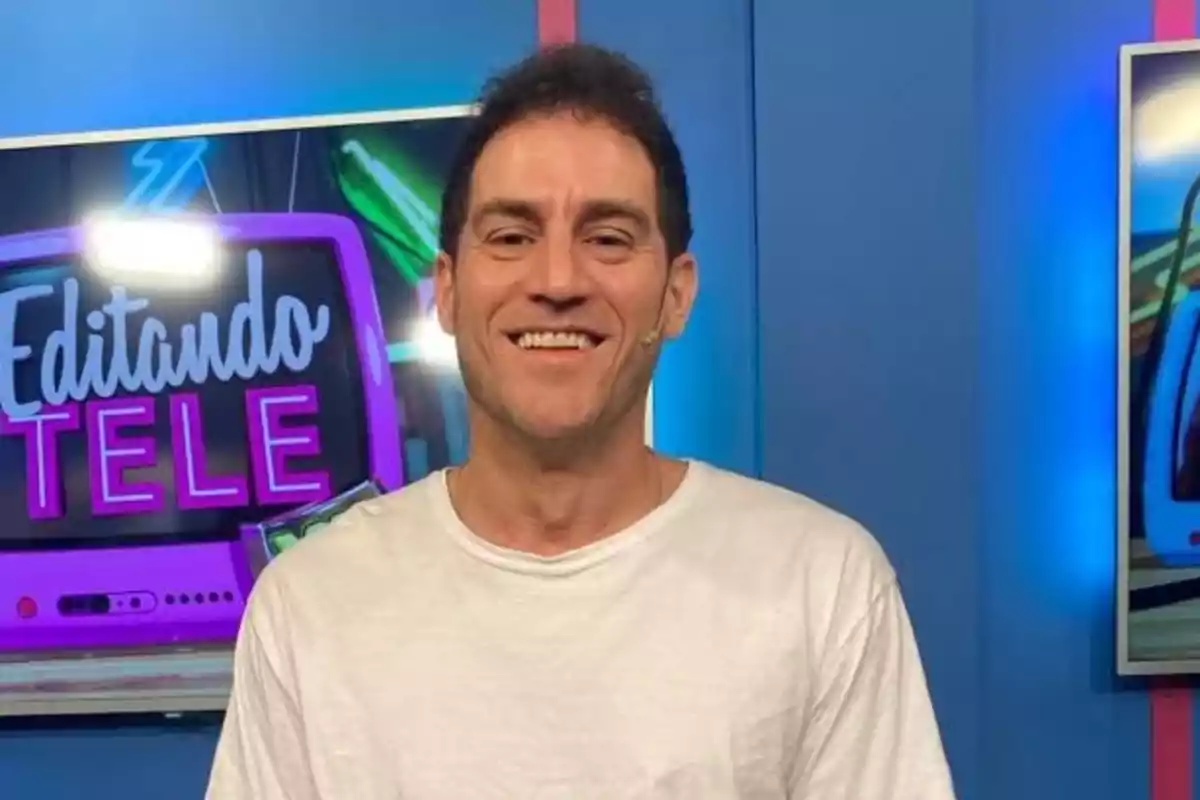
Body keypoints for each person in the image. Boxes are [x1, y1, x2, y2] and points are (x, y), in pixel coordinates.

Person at [206, 43, 956, 800]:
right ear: (448, 289)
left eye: (608, 238)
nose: (558, 280)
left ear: (676, 293)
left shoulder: (821, 588)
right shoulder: (310, 604)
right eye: (510, 237)